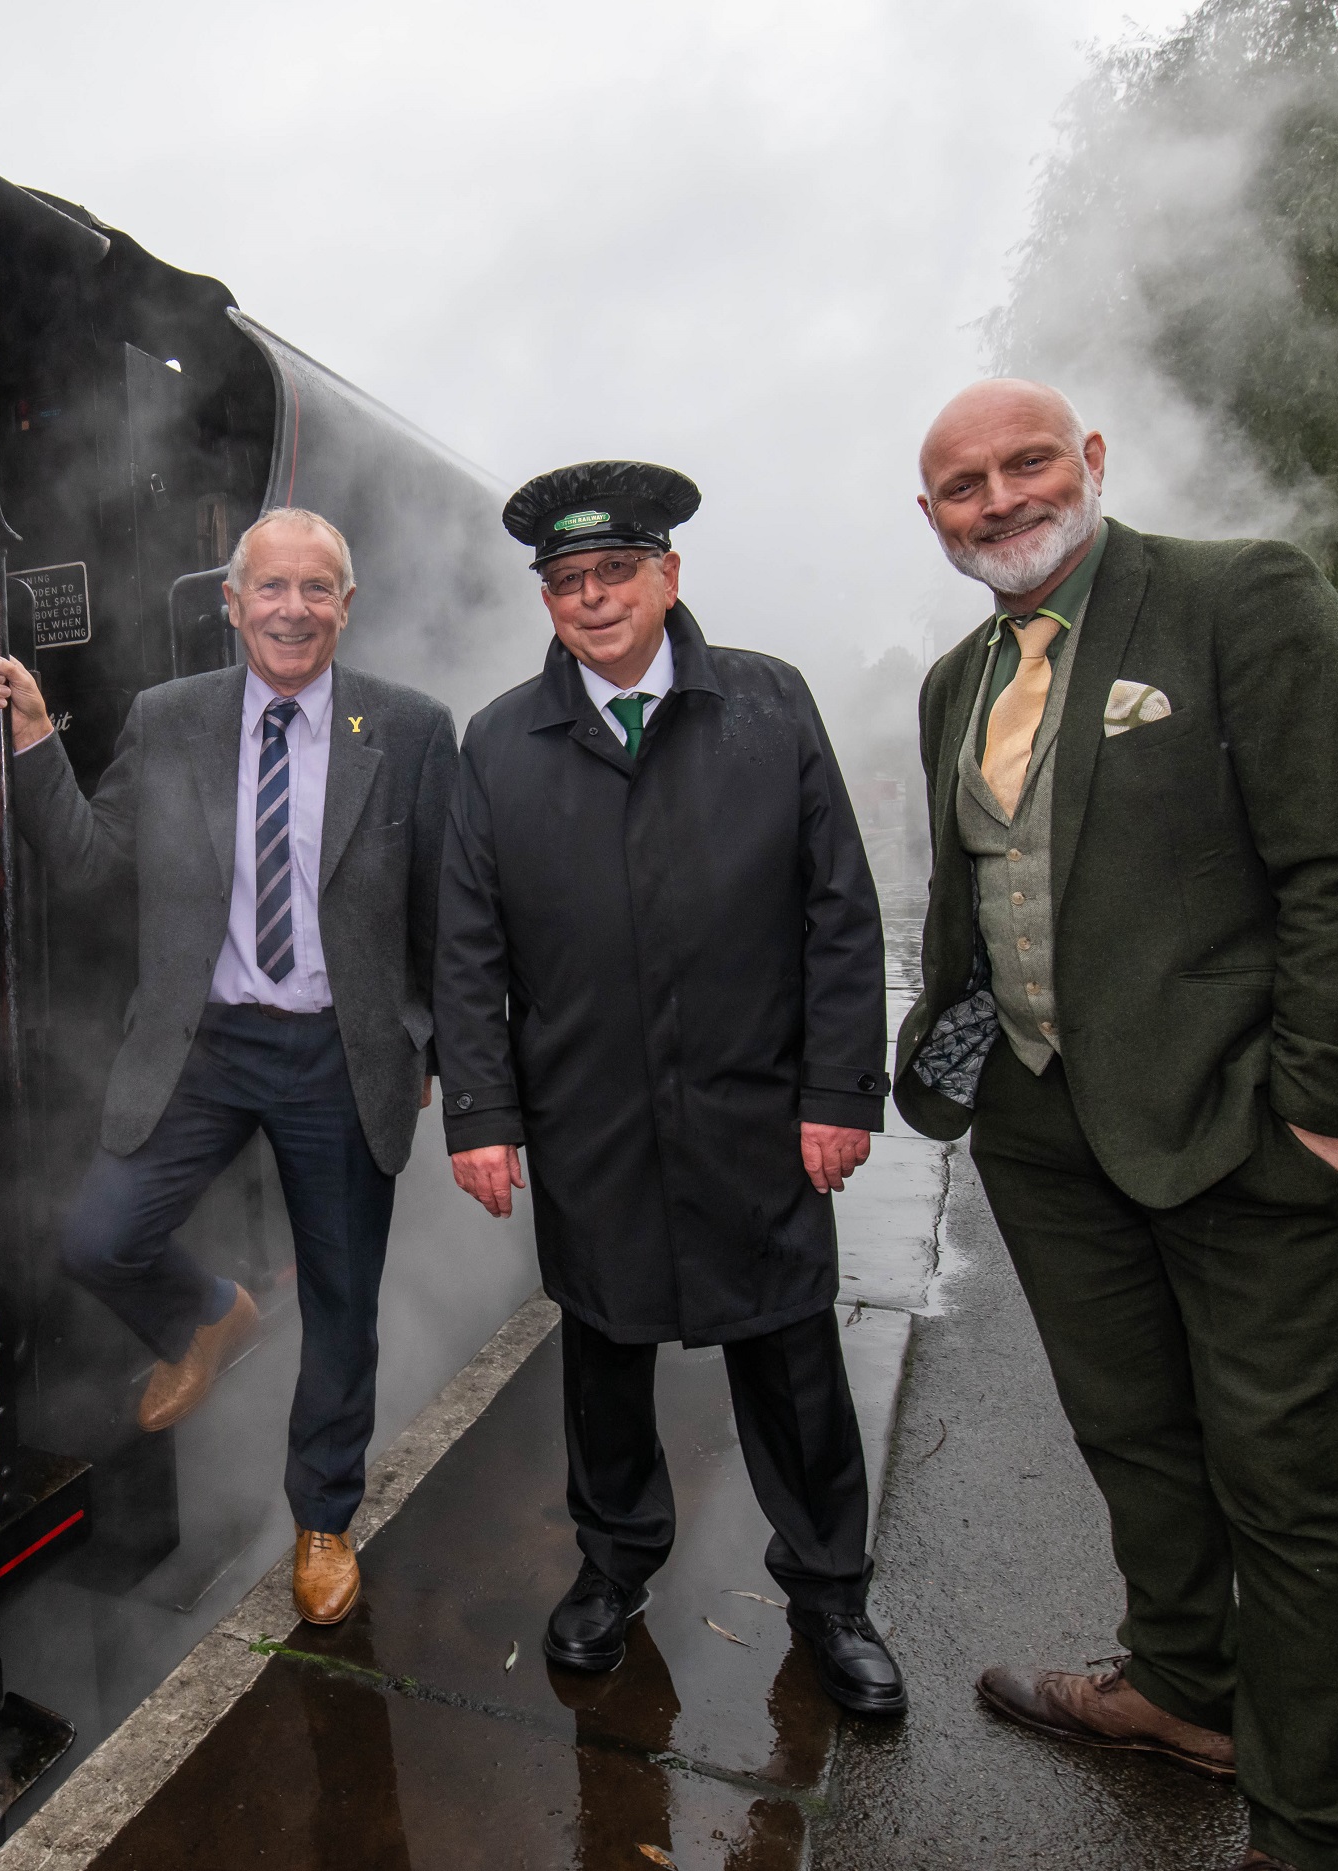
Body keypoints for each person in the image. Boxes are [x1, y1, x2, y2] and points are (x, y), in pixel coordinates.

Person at [897, 379, 1338, 1871]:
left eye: (1024, 464)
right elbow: (972, 899)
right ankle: (1183, 1686)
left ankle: (1313, 1829)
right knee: (1132, 1432)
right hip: (1043, 1130)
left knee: (1285, 1481)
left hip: (1241, 1127)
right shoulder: (954, 679)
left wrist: (1320, 1113)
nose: (997, 499)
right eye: (959, 486)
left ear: (1091, 463)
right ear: (929, 516)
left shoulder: (1238, 595)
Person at [432, 461, 906, 1717]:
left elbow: (839, 912)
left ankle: (829, 1592)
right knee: (604, 1354)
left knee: (792, 1358)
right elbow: (469, 948)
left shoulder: (766, 702)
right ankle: (612, 1563)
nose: (592, 599)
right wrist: (480, 1114)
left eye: (616, 572)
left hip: (759, 1110)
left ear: (669, 576)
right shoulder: (499, 741)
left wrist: (843, 1091)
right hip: (593, 1116)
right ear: (547, 599)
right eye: (567, 581)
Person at [0, 508, 455, 1626]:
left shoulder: (410, 725)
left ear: (346, 605)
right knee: (99, 1235)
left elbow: (448, 903)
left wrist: (425, 1039)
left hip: (341, 1048)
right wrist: (38, 735)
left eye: (316, 588)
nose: (292, 608)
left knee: (343, 1304)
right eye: (271, 588)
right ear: (233, 603)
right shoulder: (170, 717)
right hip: (206, 1040)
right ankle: (209, 1314)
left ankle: (323, 1516)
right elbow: (94, 865)